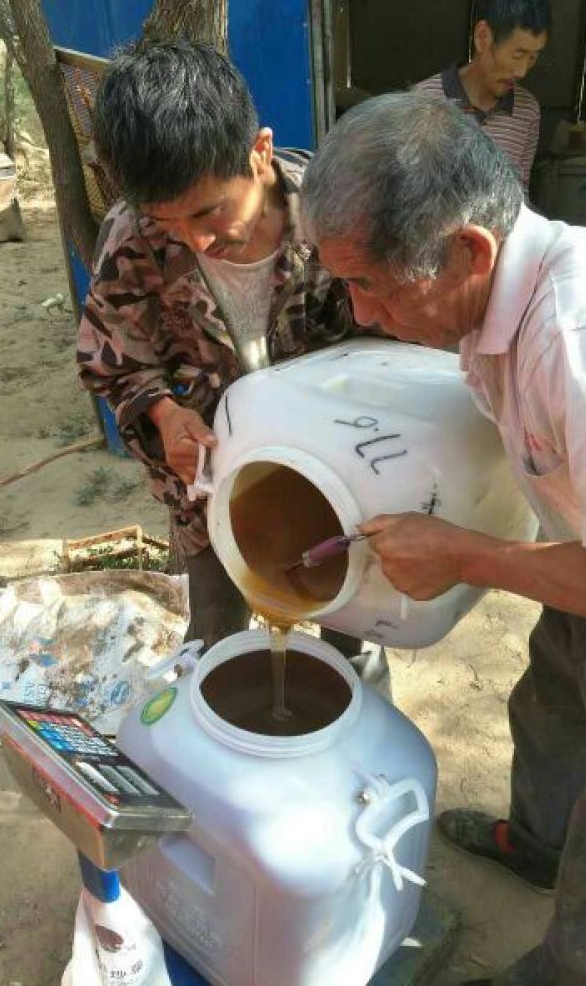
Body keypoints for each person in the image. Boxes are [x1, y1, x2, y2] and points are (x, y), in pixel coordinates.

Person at [301, 91, 586, 986]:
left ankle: (571, 969)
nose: (362, 313)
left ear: (468, 249)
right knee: (552, 704)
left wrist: (465, 554)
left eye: (373, 283)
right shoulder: (498, 303)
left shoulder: (580, 334)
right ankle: (534, 843)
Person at [77, 39, 390, 695]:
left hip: (341, 484)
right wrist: (163, 412)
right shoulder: (132, 238)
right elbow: (113, 359)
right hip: (213, 498)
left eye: (209, 211)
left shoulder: (337, 219)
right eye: (168, 220)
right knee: (216, 635)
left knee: (353, 638)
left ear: (260, 152)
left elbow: (392, 348)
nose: (194, 239)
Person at [415, 0, 551, 192]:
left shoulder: (527, 112)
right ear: (483, 36)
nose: (522, 71)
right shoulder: (422, 101)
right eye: (518, 54)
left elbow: (519, 195)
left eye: (533, 57)